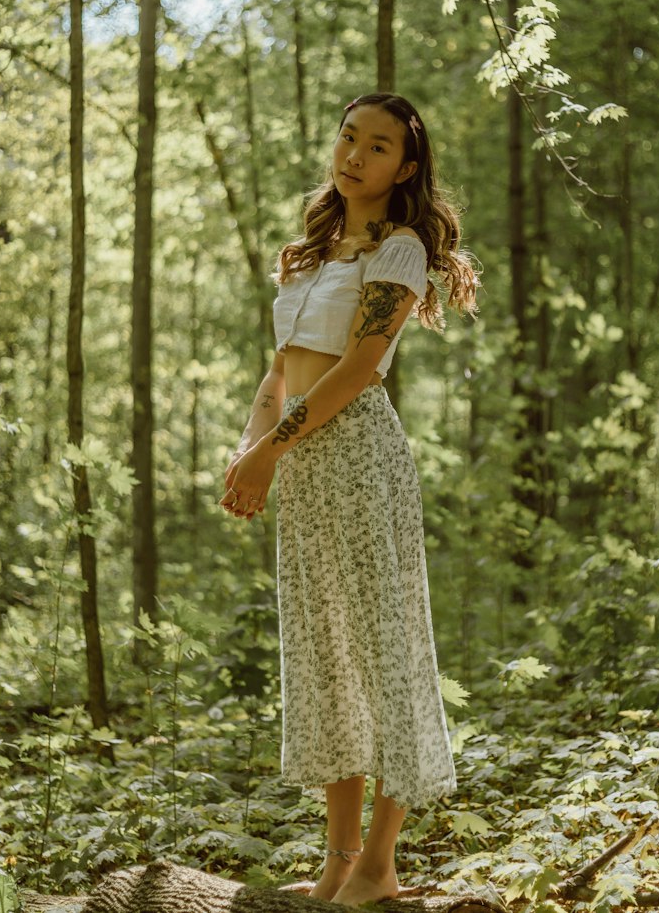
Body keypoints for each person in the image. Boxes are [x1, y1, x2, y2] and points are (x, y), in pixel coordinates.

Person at [219, 92, 478, 905]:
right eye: (349, 137)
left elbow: (360, 365)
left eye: (378, 146)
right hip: (299, 467)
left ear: (405, 168)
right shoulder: (309, 251)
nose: (356, 155)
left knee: (382, 653)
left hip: (359, 455)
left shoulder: (399, 250)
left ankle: (380, 865)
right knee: (324, 655)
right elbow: (280, 365)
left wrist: (271, 449)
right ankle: (337, 861)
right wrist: (247, 447)